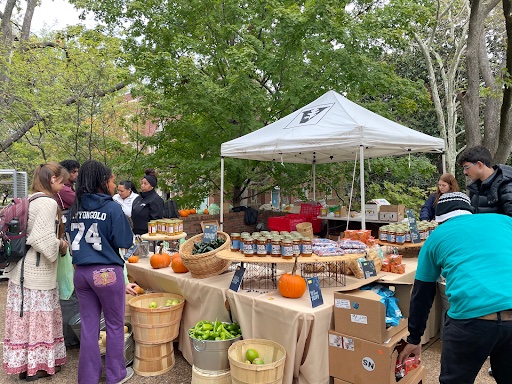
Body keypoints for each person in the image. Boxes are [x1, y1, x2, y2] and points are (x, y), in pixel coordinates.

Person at [398, 192, 512, 384]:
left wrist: (415, 338)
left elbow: (422, 294)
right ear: (470, 211)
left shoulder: (436, 237)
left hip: (471, 321)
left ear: (439, 220)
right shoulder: (504, 221)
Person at [67, 160, 134, 384]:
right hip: (107, 272)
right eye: (113, 181)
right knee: (115, 325)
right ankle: (116, 375)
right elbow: (124, 240)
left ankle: (88, 378)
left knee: (89, 328)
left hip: (81, 274)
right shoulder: (112, 208)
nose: (115, 186)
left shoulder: (74, 208)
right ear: (102, 182)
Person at [3, 162, 69, 381]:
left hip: (20, 269)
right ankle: (38, 366)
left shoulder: (30, 199)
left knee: (25, 320)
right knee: (39, 318)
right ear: (52, 179)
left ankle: (24, 365)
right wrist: (61, 245)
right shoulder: (48, 204)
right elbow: (41, 238)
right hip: (36, 272)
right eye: (62, 181)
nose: (63, 185)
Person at [458, 145, 512, 215]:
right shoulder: (475, 188)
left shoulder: (507, 185)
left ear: (479, 165)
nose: (464, 172)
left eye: (467, 167)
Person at [131, 168, 164, 235]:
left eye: (145, 184)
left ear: (152, 186)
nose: (142, 185)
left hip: (148, 234)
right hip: (135, 232)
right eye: (142, 183)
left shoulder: (156, 200)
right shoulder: (138, 198)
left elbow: (156, 220)